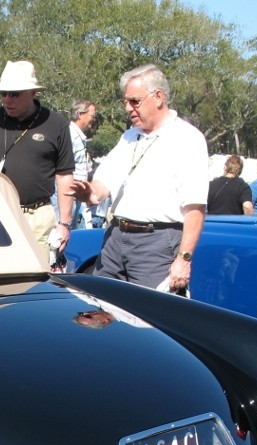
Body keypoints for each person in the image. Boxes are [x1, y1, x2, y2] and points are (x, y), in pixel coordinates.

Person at [74, 63, 208, 294]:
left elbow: (195, 208)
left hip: (157, 243)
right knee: (100, 308)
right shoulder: (128, 136)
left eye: (134, 101)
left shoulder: (187, 139)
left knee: (150, 320)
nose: (128, 108)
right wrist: (90, 192)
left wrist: (184, 259)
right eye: (125, 101)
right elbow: (105, 181)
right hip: (115, 237)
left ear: (158, 97)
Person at [0, 60, 75, 264]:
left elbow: (65, 175)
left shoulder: (56, 124)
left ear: (33, 93)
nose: (7, 99)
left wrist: (65, 224)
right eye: (3, 93)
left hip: (37, 218)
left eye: (14, 94)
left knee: (32, 287)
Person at [59, 99, 96, 229]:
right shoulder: (70, 135)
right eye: (92, 116)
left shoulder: (78, 136)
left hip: (77, 196)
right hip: (68, 196)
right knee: (63, 234)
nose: (93, 119)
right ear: (80, 114)